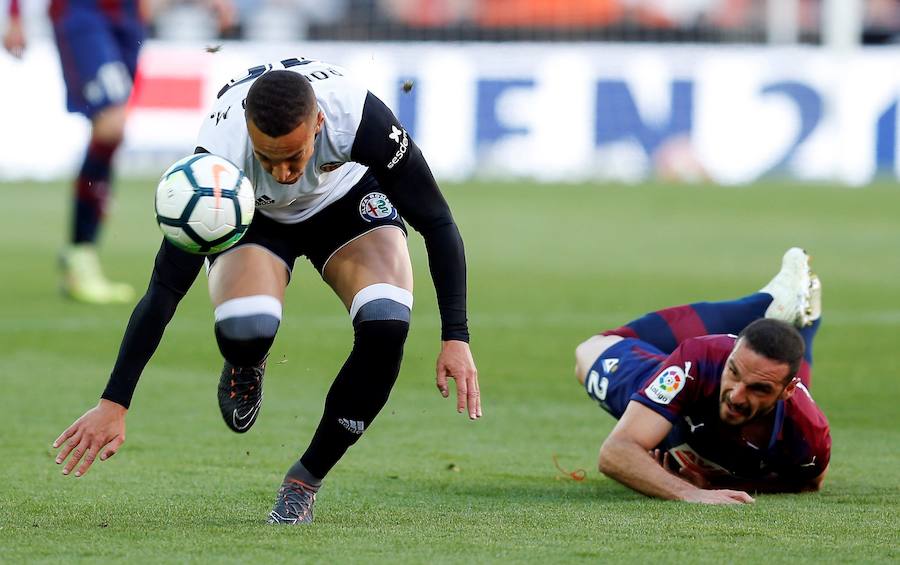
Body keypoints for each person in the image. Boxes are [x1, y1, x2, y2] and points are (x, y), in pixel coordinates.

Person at [50, 58, 482, 524]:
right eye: (267, 158)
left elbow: (437, 221)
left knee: (387, 324)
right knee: (247, 327)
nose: (281, 173)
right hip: (252, 216)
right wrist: (115, 402)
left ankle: (305, 479)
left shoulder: (361, 120)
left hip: (347, 202)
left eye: (294, 157)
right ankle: (247, 359)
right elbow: (164, 290)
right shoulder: (215, 161)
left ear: (318, 124)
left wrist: (455, 335)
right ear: (248, 137)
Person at [2, 0, 233, 304]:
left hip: (129, 14)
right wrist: (16, 16)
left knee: (111, 132)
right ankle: (80, 252)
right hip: (82, 11)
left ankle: (81, 252)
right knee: (111, 125)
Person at [574, 248, 830, 504]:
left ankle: (806, 320)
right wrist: (689, 492)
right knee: (590, 350)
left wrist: (715, 484)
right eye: (733, 372)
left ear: (787, 391)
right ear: (730, 355)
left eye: (758, 388)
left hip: (779, 401)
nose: (736, 395)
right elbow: (614, 453)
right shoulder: (698, 362)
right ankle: (766, 302)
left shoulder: (808, 433)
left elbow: (808, 482)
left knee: (782, 373)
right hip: (671, 390)